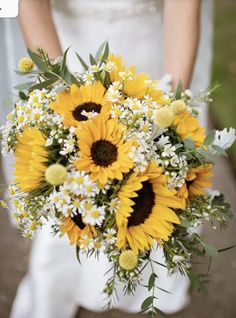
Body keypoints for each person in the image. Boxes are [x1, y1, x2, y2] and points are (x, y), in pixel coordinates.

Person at [10, 0, 214, 317]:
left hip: (155, 59)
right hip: (67, 58)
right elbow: (30, 5)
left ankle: (148, 281)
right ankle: (61, 284)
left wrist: (170, 112)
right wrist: (63, 102)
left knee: (156, 192)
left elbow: (183, 7)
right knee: (70, 187)